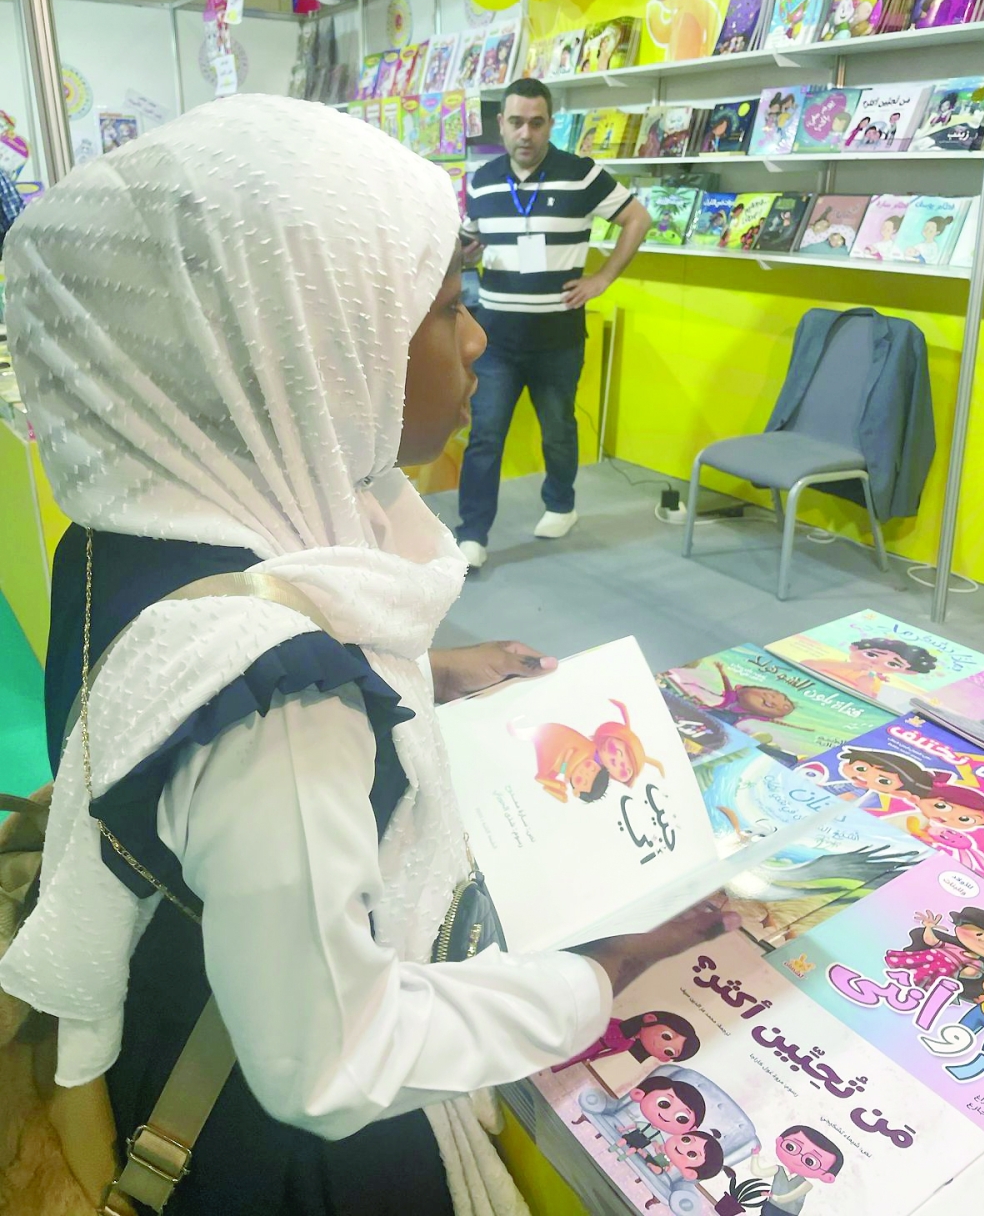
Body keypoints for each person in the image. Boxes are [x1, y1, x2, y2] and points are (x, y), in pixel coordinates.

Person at [0, 96, 737, 1216]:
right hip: (282, 1154)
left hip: (178, 1004)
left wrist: (425, 674)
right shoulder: (279, 709)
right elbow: (335, 1061)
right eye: (446, 307)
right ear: (306, 346)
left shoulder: (126, 535)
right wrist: (598, 972)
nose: (478, 338)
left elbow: (169, 723)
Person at [456, 77, 651, 568]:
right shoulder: (480, 180)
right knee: (485, 436)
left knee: (558, 429)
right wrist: (463, 254)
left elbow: (638, 220)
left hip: (559, 338)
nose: (526, 134)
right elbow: (463, 245)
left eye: (536, 123)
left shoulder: (581, 175)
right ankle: (472, 534)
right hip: (496, 338)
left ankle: (560, 503)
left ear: (550, 124)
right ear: (501, 124)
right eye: (516, 122)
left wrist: (604, 277)